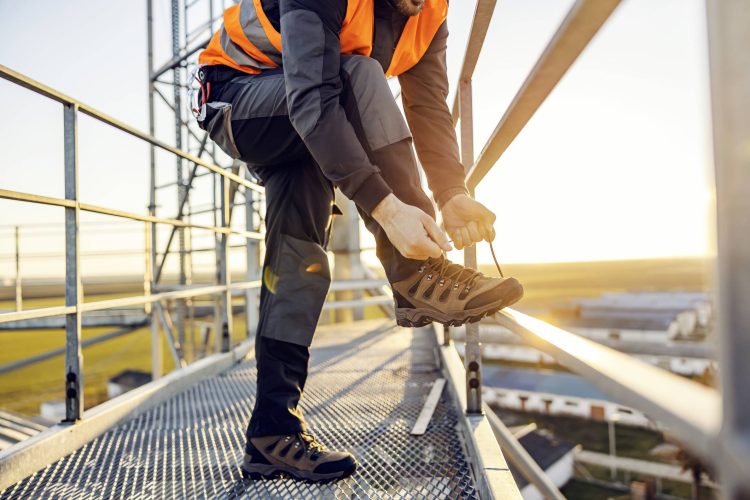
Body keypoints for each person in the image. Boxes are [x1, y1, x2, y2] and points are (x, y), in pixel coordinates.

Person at [196, 0, 523, 483]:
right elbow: (317, 99)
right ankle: (415, 276)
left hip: (302, 103)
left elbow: (428, 105)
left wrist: (452, 193)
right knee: (360, 75)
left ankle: (271, 434)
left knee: (298, 261)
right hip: (236, 96)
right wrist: (389, 212)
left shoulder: (429, 13)